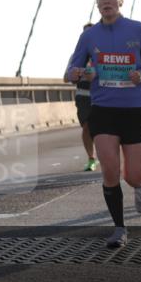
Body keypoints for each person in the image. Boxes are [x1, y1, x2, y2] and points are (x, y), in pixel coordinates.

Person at [66, 0, 141, 248]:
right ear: (97, 3)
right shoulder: (89, 36)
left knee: (131, 175)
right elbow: (72, 67)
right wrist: (74, 73)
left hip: (136, 108)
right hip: (104, 109)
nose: (107, 1)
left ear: (121, 1)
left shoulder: (137, 29)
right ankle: (119, 228)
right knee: (110, 171)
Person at [65, 23, 97, 171]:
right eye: (84, 34)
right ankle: (91, 158)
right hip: (83, 96)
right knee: (86, 128)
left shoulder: (102, 53)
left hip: (101, 96)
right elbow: (66, 78)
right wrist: (77, 74)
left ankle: (107, 155)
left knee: (102, 130)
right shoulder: (76, 55)